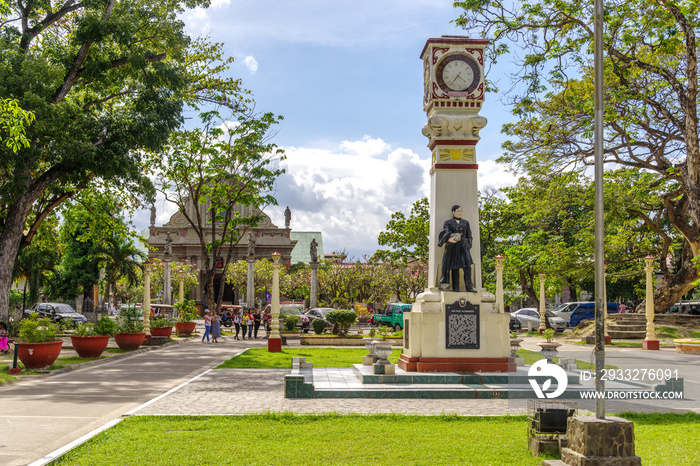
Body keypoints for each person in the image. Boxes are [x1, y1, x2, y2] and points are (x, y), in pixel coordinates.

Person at [438, 205, 476, 292]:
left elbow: (469, 235)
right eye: (458, 211)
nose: (460, 213)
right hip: (453, 248)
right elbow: (445, 233)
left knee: (467, 267)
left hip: (464, 247)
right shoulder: (448, 223)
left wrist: (469, 244)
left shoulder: (466, 223)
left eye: (461, 211)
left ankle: (469, 287)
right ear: (453, 212)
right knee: (455, 267)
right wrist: (448, 240)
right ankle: (456, 288)